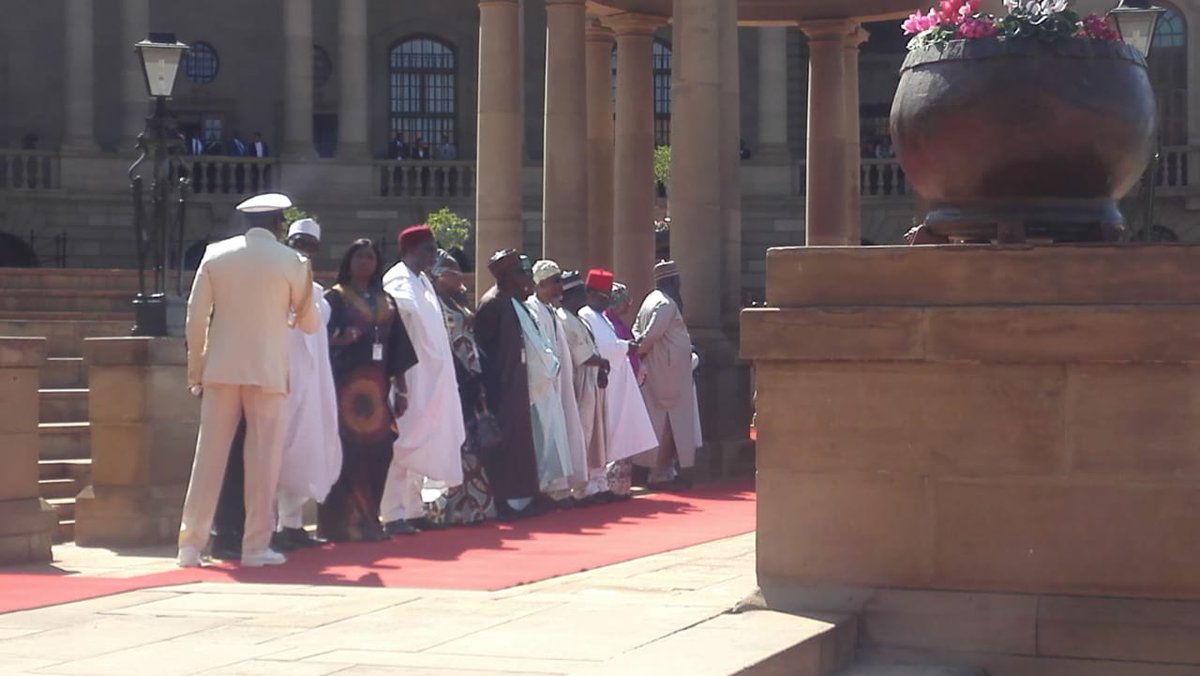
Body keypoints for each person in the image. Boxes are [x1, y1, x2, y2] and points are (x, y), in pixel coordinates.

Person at [178, 192, 320, 568]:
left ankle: (190, 545)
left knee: (207, 459)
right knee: (263, 462)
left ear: (244, 223)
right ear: (279, 224)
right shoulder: (293, 260)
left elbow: (195, 321)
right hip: (268, 370)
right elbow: (309, 322)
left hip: (221, 369)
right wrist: (285, 317)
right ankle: (255, 547)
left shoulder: (215, 255)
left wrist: (196, 372)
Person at [318, 239, 419, 542]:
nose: (365, 262)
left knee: (378, 454)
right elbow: (318, 341)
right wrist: (341, 339)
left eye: (370, 257)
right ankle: (340, 526)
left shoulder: (386, 300)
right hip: (343, 391)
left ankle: (369, 521)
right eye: (359, 256)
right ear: (349, 261)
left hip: (377, 393)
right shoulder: (334, 299)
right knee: (345, 456)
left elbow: (399, 348)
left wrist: (401, 390)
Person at [380, 226, 465, 535]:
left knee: (423, 441)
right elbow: (401, 316)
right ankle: (392, 514)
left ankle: (414, 511)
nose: (434, 255)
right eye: (429, 249)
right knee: (404, 444)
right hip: (410, 376)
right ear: (412, 250)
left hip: (432, 378)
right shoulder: (398, 279)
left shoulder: (423, 280)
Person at [273, 218, 343, 549]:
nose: (303, 253)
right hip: (280, 380)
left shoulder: (318, 294)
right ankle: (271, 526)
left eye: (309, 247)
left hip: (311, 384)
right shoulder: (271, 284)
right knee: (274, 452)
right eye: (298, 245)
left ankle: (293, 524)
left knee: (304, 450)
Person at [473, 250, 544, 520]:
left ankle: (525, 497)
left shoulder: (513, 302)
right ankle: (502, 501)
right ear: (506, 276)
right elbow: (481, 350)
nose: (524, 278)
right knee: (503, 445)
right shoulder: (492, 303)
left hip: (516, 384)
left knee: (521, 443)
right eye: (518, 273)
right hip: (500, 389)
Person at [428, 250, 496, 525]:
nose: (459, 277)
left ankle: (474, 508)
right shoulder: (434, 306)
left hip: (470, 382)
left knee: (471, 446)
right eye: (452, 273)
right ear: (439, 276)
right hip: (451, 381)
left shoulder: (456, 303)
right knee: (452, 446)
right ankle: (445, 511)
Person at [579, 269, 658, 500]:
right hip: (603, 382)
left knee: (611, 433)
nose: (606, 299)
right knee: (602, 432)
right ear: (591, 293)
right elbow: (604, 347)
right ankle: (594, 484)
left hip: (614, 382)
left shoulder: (601, 316)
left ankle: (603, 483)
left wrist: (625, 346)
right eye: (602, 294)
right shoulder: (587, 315)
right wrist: (626, 347)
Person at [633, 261, 702, 488]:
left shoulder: (650, 300)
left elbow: (637, 332)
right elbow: (649, 335)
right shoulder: (664, 303)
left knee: (665, 421)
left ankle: (664, 470)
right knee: (667, 422)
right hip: (666, 375)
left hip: (665, 372)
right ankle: (659, 472)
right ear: (671, 281)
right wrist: (638, 352)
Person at [520, 259, 582, 500]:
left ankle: (559, 488)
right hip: (542, 385)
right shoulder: (532, 310)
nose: (560, 288)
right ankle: (546, 489)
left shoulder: (552, 311)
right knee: (545, 434)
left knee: (559, 432)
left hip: (558, 384)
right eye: (556, 282)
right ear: (542, 283)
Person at [559, 270, 611, 501]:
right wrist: (601, 362)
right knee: (581, 432)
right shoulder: (563, 318)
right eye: (581, 292)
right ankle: (578, 489)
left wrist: (601, 368)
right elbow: (581, 354)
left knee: (593, 435)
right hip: (578, 381)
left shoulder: (578, 318)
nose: (584, 297)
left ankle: (593, 483)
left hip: (591, 379)